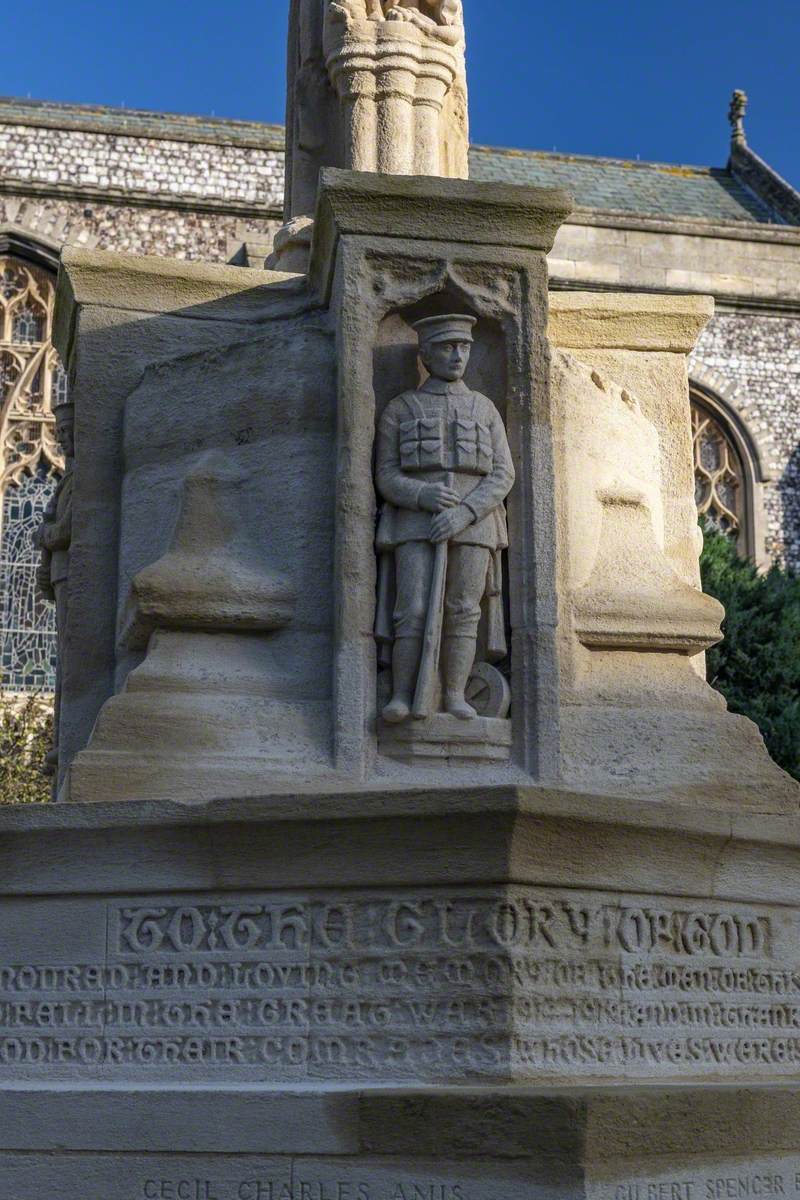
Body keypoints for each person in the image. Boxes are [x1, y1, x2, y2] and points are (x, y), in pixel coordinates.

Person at [374, 314, 514, 723]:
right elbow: (385, 473)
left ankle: (454, 693)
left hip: (476, 525)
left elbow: (503, 473)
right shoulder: (402, 408)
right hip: (414, 524)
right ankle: (403, 693)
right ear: (425, 353)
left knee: (463, 609)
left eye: (464, 347)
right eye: (447, 347)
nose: (457, 356)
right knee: (411, 609)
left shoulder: (484, 409)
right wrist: (422, 494)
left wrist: (466, 512)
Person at [35, 399, 74, 776]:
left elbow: (64, 531)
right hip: (60, 574)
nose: (62, 439)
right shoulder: (68, 480)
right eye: (59, 433)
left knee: (68, 656)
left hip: (70, 575)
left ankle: (64, 742)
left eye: (67, 432)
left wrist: (41, 534)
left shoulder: (81, 481)